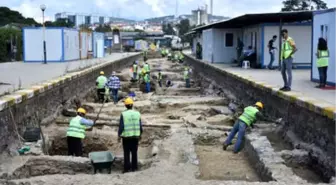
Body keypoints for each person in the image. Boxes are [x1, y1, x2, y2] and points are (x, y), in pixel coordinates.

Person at [118, 98, 143, 173]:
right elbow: (140, 126)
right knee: (134, 152)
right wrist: (140, 134)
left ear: (125, 106)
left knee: (126, 153)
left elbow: (121, 126)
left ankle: (127, 169)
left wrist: (119, 135)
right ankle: (134, 168)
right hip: (135, 136)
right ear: (132, 105)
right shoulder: (137, 113)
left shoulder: (123, 114)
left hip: (126, 137)